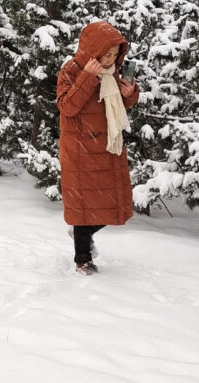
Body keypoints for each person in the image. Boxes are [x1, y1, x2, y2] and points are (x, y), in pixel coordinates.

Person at [56, 21, 140, 275]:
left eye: (115, 55)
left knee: (114, 203)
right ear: (92, 50)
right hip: (80, 150)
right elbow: (67, 106)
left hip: (107, 147)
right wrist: (87, 77)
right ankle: (83, 259)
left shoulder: (112, 73)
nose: (111, 60)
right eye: (106, 55)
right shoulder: (70, 70)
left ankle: (82, 232)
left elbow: (114, 109)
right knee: (84, 208)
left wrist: (129, 94)